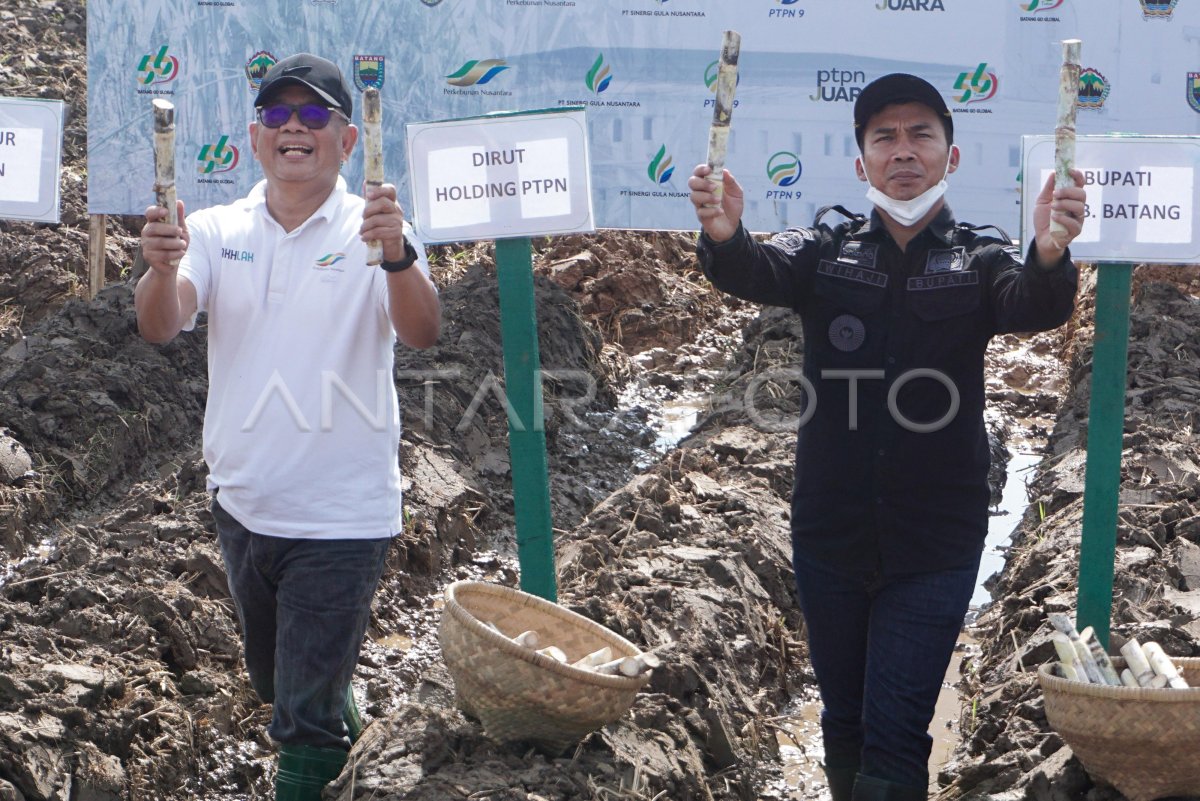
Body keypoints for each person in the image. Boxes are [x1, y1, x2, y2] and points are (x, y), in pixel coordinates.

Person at [688, 73, 1086, 801]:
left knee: (896, 729)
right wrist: (724, 235)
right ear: (861, 160)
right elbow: (760, 268)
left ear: (951, 155)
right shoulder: (827, 245)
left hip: (934, 541)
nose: (903, 150)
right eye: (885, 137)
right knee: (845, 719)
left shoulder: (980, 255)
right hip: (829, 530)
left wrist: (1050, 251)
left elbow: (1032, 302)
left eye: (920, 134)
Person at [135, 53, 441, 800]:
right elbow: (162, 326)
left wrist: (397, 257)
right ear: (254, 136)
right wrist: (156, 269)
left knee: (300, 721)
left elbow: (423, 329)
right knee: (280, 682)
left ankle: (316, 760)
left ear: (346, 141)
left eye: (314, 116)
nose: (294, 128)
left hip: (343, 516)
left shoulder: (376, 229)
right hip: (243, 503)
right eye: (278, 115)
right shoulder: (213, 227)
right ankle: (345, 712)